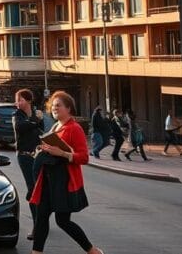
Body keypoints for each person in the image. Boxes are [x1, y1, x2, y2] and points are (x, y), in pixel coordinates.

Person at [30, 91, 104, 254]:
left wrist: (62, 153)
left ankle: (92, 250)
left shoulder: (74, 128)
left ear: (69, 108)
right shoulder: (56, 126)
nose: (55, 108)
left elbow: (84, 157)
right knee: (41, 217)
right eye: (53, 106)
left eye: (59, 105)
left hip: (64, 182)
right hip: (48, 180)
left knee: (62, 221)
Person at [12, 88, 43, 241]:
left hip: (39, 156)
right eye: (17, 100)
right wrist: (35, 122)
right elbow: (20, 127)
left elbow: (44, 131)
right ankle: (37, 226)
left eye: (20, 99)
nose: (17, 103)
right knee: (32, 189)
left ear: (29, 101)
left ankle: (41, 221)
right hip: (24, 156)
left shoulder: (37, 114)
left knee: (39, 189)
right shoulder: (17, 115)